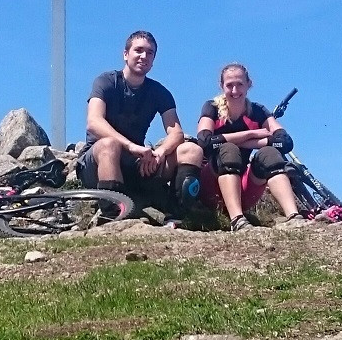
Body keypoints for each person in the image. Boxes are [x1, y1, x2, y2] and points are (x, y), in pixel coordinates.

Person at [172, 62, 303, 231]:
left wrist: (241, 140)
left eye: (239, 84)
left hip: (244, 190)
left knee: (270, 154)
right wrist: (251, 134)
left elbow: (285, 142)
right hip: (211, 188)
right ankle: (237, 221)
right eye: (229, 85)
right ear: (221, 86)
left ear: (249, 84)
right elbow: (204, 141)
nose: (235, 91)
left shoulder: (258, 111)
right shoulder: (212, 108)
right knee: (229, 151)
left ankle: (294, 217)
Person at [77, 31, 186, 200]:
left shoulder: (160, 92)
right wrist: (130, 146)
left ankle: (179, 208)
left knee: (190, 150)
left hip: (136, 164)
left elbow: (176, 132)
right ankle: (113, 210)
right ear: (125, 54)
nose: (144, 56)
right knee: (109, 145)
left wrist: (160, 152)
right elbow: (94, 121)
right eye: (139, 50)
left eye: (150, 53)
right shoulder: (106, 81)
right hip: (97, 164)